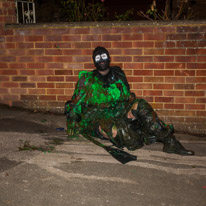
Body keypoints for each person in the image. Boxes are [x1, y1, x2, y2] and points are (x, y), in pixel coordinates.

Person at [65, 46, 194, 156]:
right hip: (99, 116)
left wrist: (131, 108)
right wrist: (72, 121)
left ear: (109, 58)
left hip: (121, 110)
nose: (101, 60)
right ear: (94, 61)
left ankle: (170, 142)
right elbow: (75, 103)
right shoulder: (87, 79)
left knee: (141, 105)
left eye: (104, 56)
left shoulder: (118, 73)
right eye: (98, 58)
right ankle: (145, 135)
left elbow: (128, 95)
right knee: (116, 131)